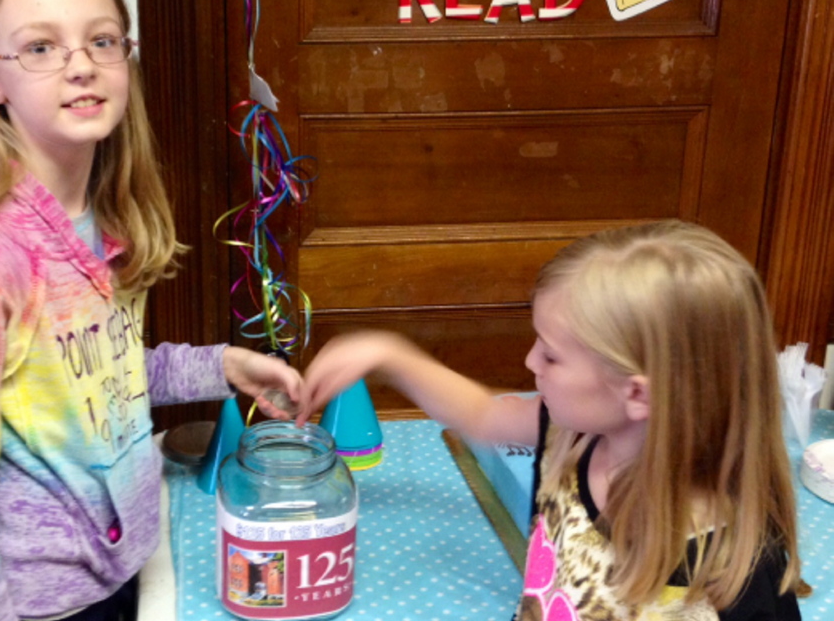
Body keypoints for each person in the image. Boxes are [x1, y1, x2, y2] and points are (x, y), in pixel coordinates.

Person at [0, 0, 302, 621]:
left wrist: (224, 366)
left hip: (119, 573)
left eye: (101, 40)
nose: (80, 63)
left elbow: (93, 383)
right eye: (40, 47)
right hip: (41, 604)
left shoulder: (103, 212)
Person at [296, 220, 803, 620]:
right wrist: (387, 355)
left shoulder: (736, 560)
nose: (530, 362)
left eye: (553, 355)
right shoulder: (570, 434)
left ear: (637, 394)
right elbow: (479, 413)